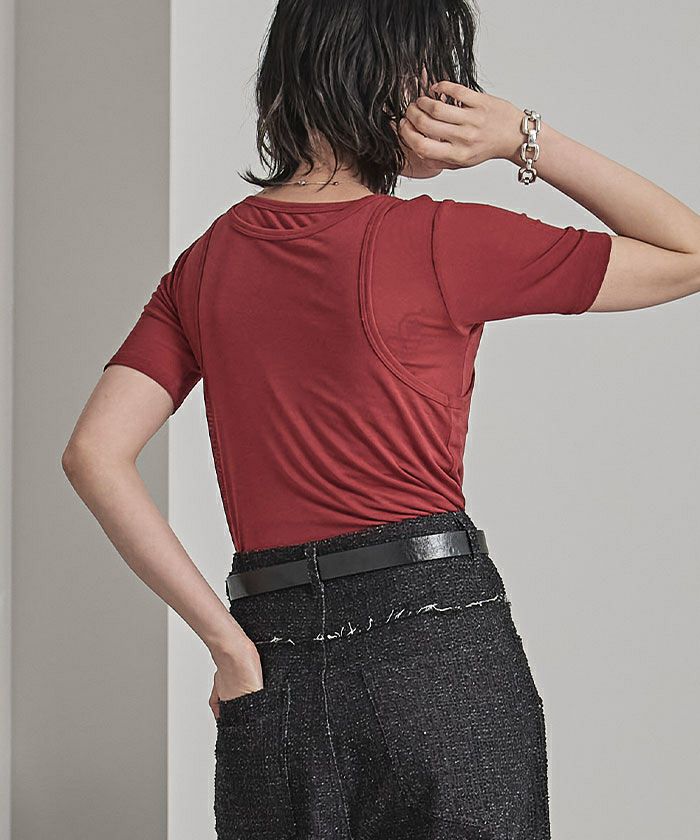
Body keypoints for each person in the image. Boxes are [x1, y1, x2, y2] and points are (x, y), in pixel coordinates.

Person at [61, 1, 700, 839]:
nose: (454, 94)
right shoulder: (439, 239)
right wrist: (523, 138)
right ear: (382, 77)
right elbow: (689, 252)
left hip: (271, 651)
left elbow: (94, 454)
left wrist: (228, 647)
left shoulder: (206, 263)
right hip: (435, 645)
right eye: (437, 71)